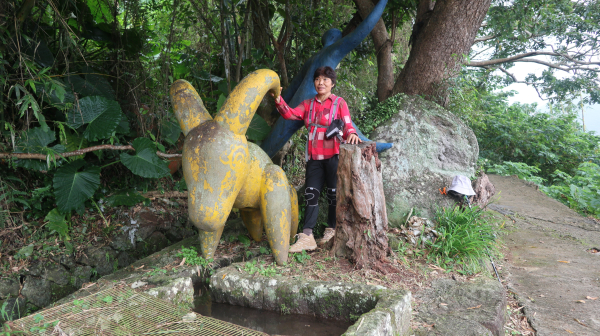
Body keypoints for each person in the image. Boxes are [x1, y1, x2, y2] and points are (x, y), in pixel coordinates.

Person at [272, 66, 361, 253]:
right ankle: (307, 237)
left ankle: (331, 230)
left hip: (335, 156)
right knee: (311, 194)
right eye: (318, 79)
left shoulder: (339, 103)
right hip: (314, 157)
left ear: (332, 83)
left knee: (333, 194)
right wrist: (279, 101)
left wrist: (352, 134)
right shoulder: (308, 104)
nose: (321, 82)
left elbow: (347, 124)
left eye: (325, 80)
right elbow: (290, 114)